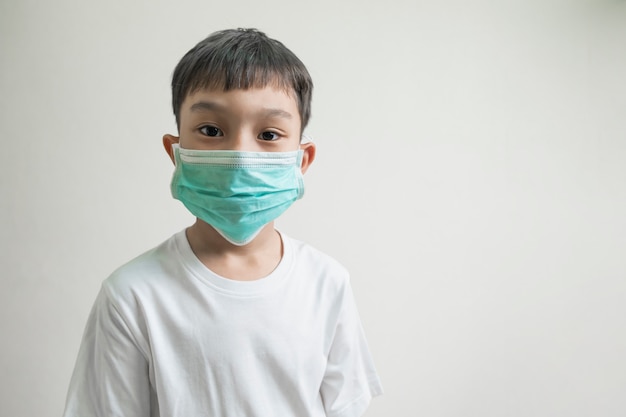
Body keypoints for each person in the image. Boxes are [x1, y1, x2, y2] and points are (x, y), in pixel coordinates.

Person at [63, 28, 383, 417]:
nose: (240, 157)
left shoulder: (327, 284)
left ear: (302, 160)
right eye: (212, 131)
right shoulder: (132, 296)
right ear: (176, 151)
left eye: (268, 134)